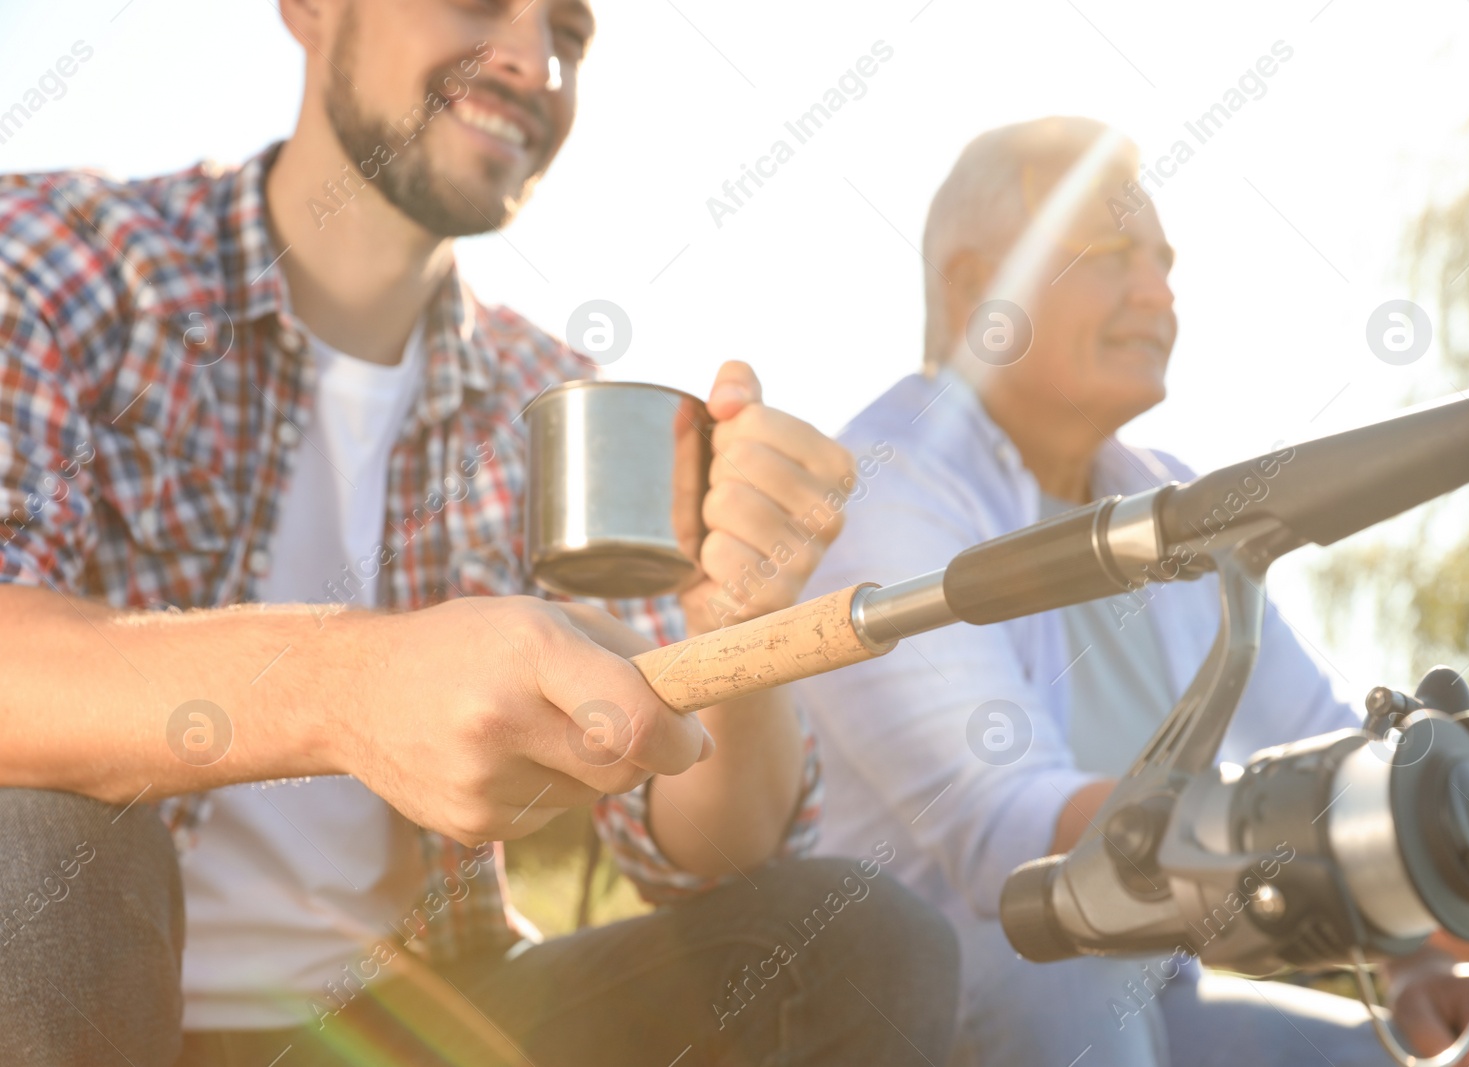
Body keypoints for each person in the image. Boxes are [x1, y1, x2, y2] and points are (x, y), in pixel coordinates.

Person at [0, 2, 959, 1065]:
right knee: (29, 830)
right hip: (86, 1002)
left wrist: (733, 621)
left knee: (854, 937)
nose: (531, 60)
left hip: (418, 1025)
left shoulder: (544, 400)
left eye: (571, 34)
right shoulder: (62, 261)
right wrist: (352, 684)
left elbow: (708, 849)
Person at [795, 116, 1469, 1067]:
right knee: (1070, 937)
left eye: (1165, 260)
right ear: (976, 291)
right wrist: (1411, 839)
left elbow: (1326, 736)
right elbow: (1012, 834)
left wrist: (1418, 957)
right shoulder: (884, 489)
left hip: (1142, 996)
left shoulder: (1173, 499)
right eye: (1109, 252)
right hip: (923, 1004)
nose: (1159, 291)